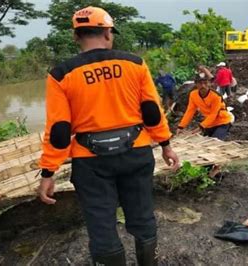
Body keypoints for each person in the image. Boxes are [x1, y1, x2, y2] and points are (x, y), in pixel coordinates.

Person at [37, 6, 179, 265]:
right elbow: (151, 111)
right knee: (142, 215)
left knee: (101, 223)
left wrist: (48, 172)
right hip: (136, 153)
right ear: (107, 33)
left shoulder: (61, 74)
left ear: (75, 36)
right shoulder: (134, 63)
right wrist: (166, 145)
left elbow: (59, 130)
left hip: (91, 162)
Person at [176, 72, 232, 140]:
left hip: (222, 122)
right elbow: (190, 111)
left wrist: (201, 127)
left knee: (214, 143)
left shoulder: (216, 96)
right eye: (200, 83)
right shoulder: (193, 95)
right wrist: (181, 126)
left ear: (209, 84)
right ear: (196, 84)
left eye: (205, 83)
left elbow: (213, 114)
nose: (203, 85)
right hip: (209, 124)